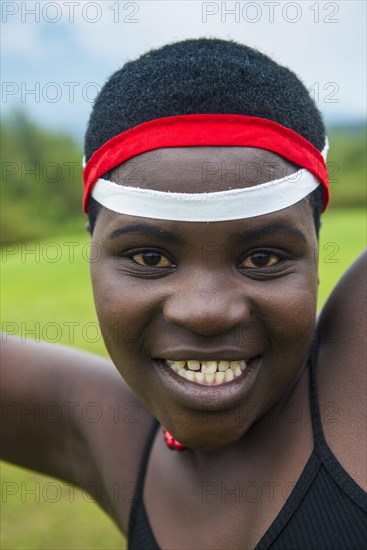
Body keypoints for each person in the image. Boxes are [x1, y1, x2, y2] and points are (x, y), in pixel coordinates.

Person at [1, 39, 366, 550]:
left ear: (315, 254)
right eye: (149, 258)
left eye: (262, 258)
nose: (207, 311)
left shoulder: (355, 384)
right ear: (92, 258)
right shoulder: (110, 435)